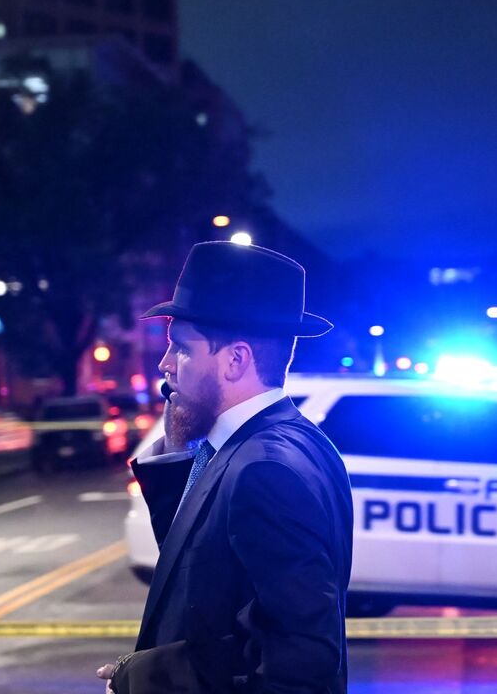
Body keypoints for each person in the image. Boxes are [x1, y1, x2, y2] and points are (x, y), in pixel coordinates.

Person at [97, 241, 353, 694]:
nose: (164, 364)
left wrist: (146, 676)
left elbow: (300, 662)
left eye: (182, 349)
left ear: (235, 360)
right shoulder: (289, 442)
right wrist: (178, 448)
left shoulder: (265, 471)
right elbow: (208, 588)